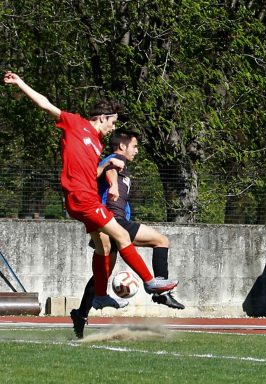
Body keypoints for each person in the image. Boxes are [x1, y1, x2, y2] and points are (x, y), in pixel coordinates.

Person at [3, 71, 178, 310]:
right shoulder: (75, 123)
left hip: (84, 198)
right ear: (103, 118)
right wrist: (21, 82)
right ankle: (150, 282)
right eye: (113, 123)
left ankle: (100, 296)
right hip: (82, 198)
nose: (112, 128)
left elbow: (96, 171)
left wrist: (106, 165)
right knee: (122, 236)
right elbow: (45, 104)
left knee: (104, 247)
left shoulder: (97, 143)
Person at [70, 129, 184, 338]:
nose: (137, 151)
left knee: (101, 275)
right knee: (161, 241)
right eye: (135, 146)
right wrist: (113, 184)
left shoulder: (120, 164)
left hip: (116, 220)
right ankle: (160, 290)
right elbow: (110, 169)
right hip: (112, 220)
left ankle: (81, 313)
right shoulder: (115, 159)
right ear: (123, 146)